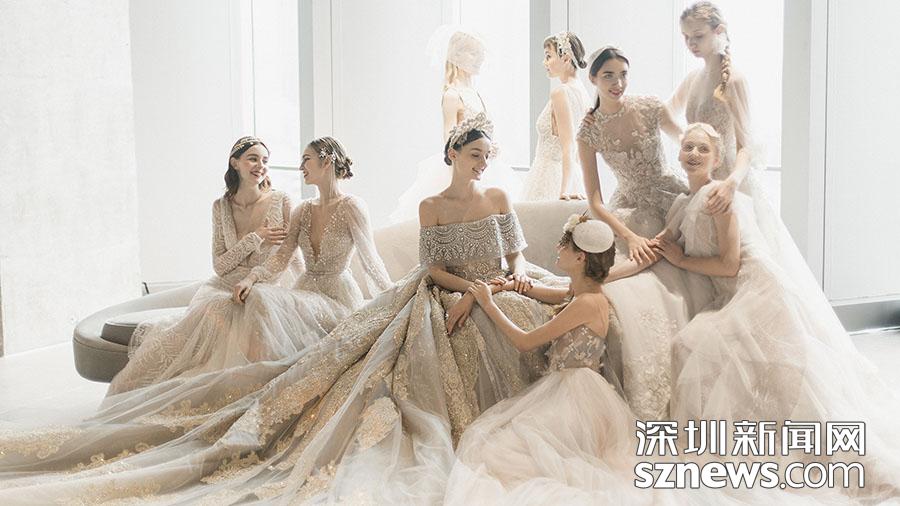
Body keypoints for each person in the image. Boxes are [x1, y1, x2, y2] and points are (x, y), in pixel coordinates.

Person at [658, 123, 900, 501]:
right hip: (731, 297)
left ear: (717, 160)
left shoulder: (718, 196)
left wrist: (683, 261)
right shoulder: (680, 203)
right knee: (739, 367)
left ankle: (856, 466)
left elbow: (730, 265)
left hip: (758, 288)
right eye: (688, 146)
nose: (693, 154)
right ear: (677, 153)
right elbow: (657, 245)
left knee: (795, 382)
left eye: (703, 149)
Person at [108, 136, 310, 394]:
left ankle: (247, 390)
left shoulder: (281, 200)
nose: (260, 166)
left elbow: (289, 254)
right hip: (225, 286)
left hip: (271, 283)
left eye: (265, 160)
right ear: (235, 163)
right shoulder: (221, 207)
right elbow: (220, 265)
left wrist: (293, 286)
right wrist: (256, 237)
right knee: (205, 317)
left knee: (246, 310)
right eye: (253, 159)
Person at [576, 46, 707, 420]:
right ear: (593, 79)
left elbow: (688, 142)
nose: (618, 83)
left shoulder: (650, 106)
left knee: (672, 261)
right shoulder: (589, 131)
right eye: (608, 76)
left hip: (671, 198)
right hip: (630, 212)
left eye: (623, 75)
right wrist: (629, 237)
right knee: (634, 266)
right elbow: (595, 201)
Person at [390, 28, 522, 223]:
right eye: (473, 53)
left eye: (480, 54)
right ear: (457, 55)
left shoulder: (475, 93)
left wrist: (492, 147)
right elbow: (449, 136)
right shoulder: (452, 95)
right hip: (464, 166)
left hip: (487, 164)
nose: (479, 59)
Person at [521, 31, 591, 201]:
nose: (544, 62)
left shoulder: (561, 92)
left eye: (548, 56)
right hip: (572, 173)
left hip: (549, 175)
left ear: (566, 59)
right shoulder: (583, 93)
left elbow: (569, 144)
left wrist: (563, 190)